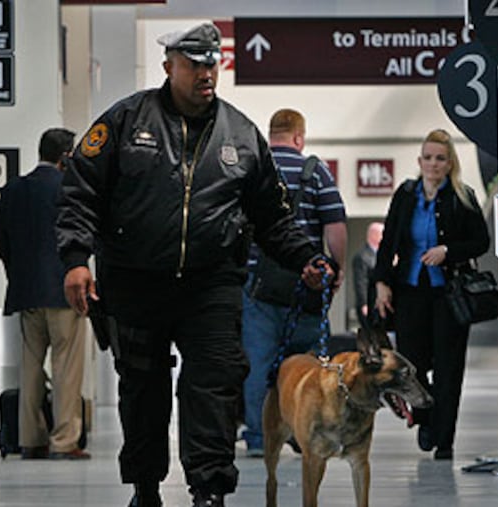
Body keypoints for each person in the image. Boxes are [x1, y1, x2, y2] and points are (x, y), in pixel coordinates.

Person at [55, 23, 334, 507]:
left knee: (215, 383)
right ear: (169, 67)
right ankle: (145, 488)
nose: (206, 73)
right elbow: (80, 193)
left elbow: (273, 218)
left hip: (211, 285)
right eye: (194, 64)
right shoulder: (124, 121)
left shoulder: (243, 136)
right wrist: (77, 259)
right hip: (135, 281)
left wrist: (306, 257)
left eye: (212, 63)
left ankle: (209, 490)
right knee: (143, 390)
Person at [373, 129, 489, 460]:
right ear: (419, 161)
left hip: (449, 295)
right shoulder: (406, 195)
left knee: (449, 368)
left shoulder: (461, 196)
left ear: (450, 162)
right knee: (413, 362)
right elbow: (388, 241)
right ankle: (424, 416)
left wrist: (447, 250)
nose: (433, 164)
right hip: (410, 291)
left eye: (440, 158)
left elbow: (481, 242)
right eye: (428, 157)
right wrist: (381, 281)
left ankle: (444, 437)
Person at [241, 108, 347, 457]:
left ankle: (259, 439)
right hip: (308, 284)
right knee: (309, 364)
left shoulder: (253, 168)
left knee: (258, 364)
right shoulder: (314, 172)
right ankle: (306, 432)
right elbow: (335, 226)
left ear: (271, 135)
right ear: (299, 138)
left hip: (259, 285)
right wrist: (337, 267)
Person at [0, 128, 90, 461]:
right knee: (67, 366)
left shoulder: (13, 189)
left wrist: (18, 277)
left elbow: (2, 245)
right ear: (66, 156)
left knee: (30, 367)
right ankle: (64, 441)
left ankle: (30, 439)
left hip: (25, 292)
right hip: (65, 292)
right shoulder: (69, 189)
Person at [352, 222, 384, 329]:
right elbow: (360, 282)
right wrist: (364, 304)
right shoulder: (362, 257)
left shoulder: (380, 254)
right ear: (374, 235)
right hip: (369, 303)